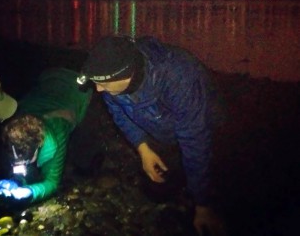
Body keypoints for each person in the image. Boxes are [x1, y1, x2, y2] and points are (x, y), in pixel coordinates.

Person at [77, 35, 226, 236]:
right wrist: (143, 148)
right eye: (95, 82)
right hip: (160, 128)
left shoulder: (178, 78)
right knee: (157, 190)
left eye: (103, 84)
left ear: (127, 75)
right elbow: (119, 114)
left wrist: (202, 205)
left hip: (203, 123)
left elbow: (195, 140)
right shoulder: (110, 75)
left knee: (214, 175)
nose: (98, 89)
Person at [0, 67, 99, 207]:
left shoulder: (57, 132)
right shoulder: (11, 124)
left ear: (39, 144)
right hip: (50, 74)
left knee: (84, 156)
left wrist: (31, 192)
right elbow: (18, 158)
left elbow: (52, 182)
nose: (20, 164)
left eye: (25, 161)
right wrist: (16, 180)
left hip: (78, 86)